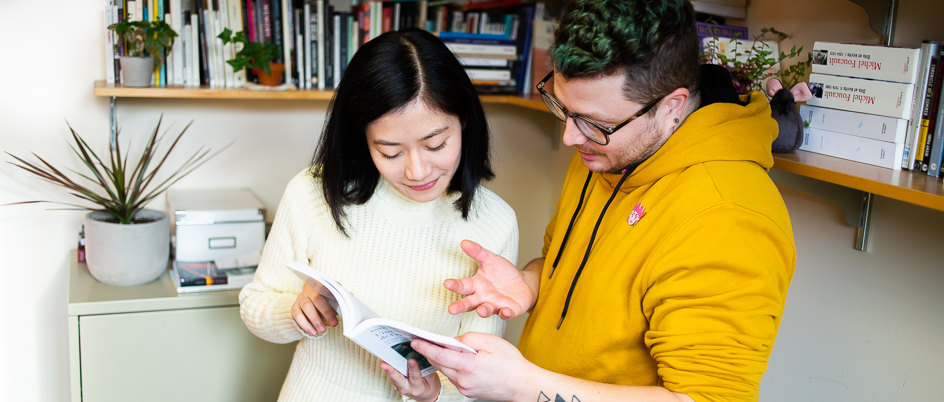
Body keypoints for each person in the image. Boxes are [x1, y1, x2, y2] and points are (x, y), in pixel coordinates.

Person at [410, 1, 797, 401]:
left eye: (595, 124)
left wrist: (522, 385)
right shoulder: (608, 152)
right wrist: (530, 282)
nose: (570, 137)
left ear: (672, 107)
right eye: (563, 108)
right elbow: (573, 267)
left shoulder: (728, 217)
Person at [238, 28, 519, 402]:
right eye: (390, 152)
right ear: (363, 137)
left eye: (436, 144)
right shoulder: (314, 192)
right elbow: (255, 304)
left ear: (464, 120)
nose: (418, 171)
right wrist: (295, 312)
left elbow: (480, 373)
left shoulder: (495, 223)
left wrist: (433, 394)